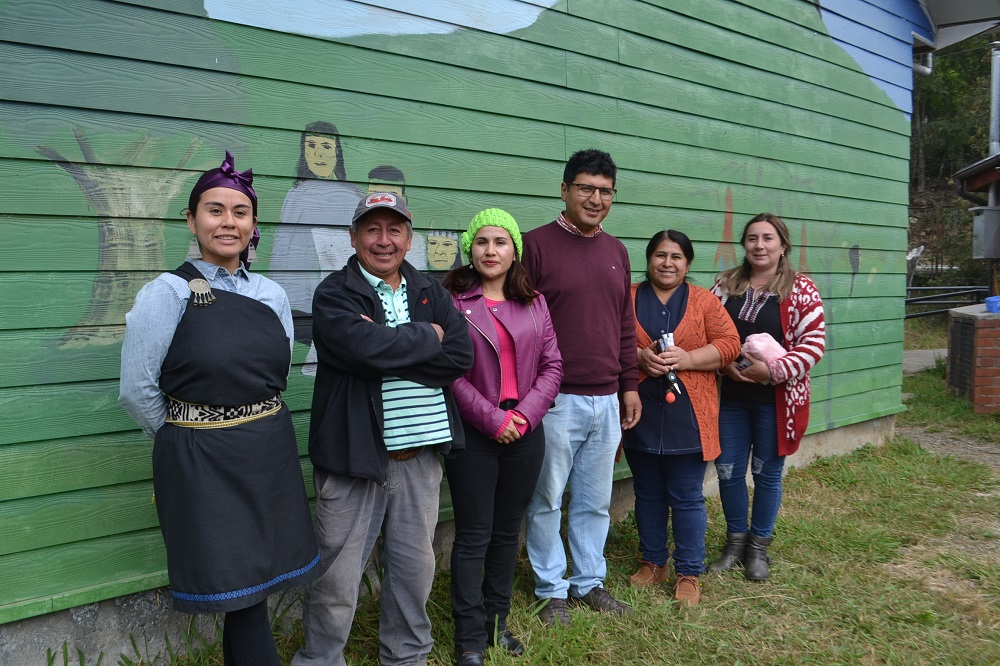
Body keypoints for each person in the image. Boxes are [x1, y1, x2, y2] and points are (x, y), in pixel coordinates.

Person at [119, 151, 321, 665]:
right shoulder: (164, 294)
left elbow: (271, 374)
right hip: (201, 459)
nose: (227, 222)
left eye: (240, 212)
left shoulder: (271, 294)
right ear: (191, 219)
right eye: (214, 210)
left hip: (268, 451)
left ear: (254, 225)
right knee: (237, 584)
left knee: (253, 587)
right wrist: (190, 433)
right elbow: (137, 390)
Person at [293, 192, 473, 666]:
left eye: (394, 229)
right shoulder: (334, 293)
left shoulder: (432, 291)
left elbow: (459, 356)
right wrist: (423, 337)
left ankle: (407, 656)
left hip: (420, 459)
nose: (384, 240)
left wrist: (389, 348)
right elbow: (358, 348)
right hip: (355, 458)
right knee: (336, 576)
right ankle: (320, 659)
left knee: (414, 571)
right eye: (372, 229)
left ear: (409, 239)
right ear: (353, 238)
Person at [521, 149, 641, 625]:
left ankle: (589, 582)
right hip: (555, 399)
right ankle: (552, 590)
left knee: (595, 500)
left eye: (605, 191)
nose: (596, 199)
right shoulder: (534, 246)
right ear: (565, 189)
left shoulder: (616, 251)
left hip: (607, 398)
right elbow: (521, 321)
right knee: (547, 498)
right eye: (586, 188)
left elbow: (625, 324)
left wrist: (628, 385)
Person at [442, 209, 563, 665]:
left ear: (515, 250)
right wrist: (492, 419)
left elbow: (553, 365)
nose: (491, 251)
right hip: (475, 433)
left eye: (501, 242)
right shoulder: (453, 301)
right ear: (470, 248)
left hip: (526, 433)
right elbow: (449, 372)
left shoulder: (535, 301)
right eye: (482, 242)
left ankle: (498, 623)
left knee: (507, 532)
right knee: (473, 535)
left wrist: (526, 416)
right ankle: (470, 639)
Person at [623, 230, 740, 605]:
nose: (667, 263)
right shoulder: (627, 298)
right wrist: (638, 357)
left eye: (676, 256)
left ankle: (689, 571)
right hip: (639, 409)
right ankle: (652, 561)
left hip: (689, 413)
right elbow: (610, 341)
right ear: (649, 259)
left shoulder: (703, 301)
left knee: (687, 496)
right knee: (648, 492)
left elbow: (729, 344)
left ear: (687, 264)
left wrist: (688, 359)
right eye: (660, 255)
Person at [709, 213, 826, 581]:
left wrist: (771, 371)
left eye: (768, 238)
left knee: (767, 474)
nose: (760, 246)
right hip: (730, 398)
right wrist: (722, 364)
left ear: (783, 245)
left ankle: (758, 549)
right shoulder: (726, 286)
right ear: (743, 245)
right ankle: (734, 545)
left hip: (776, 402)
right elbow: (705, 331)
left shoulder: (802, 290)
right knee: (727, 472)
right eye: (752, 238)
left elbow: (813, 346)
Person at [270, 121, 364, 353]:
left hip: (339, 301)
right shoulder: (295, 194)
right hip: (297, 304)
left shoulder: (353, 197)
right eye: (310, 146)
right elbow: (282, 248)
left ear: (337, 153)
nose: (318, 154)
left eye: (326, 146)